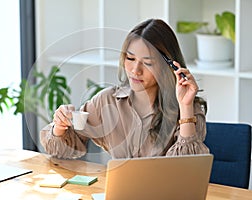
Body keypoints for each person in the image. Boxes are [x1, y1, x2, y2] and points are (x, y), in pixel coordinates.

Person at [40, 18, 209, 159]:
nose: (135, 70)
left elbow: (185, 170)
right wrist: (60, 127)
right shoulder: (107, 101)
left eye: (148, 63)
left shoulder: (187, 108)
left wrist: (186, 107)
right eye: (130, 58)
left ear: (168, 66)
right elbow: (63, 150)